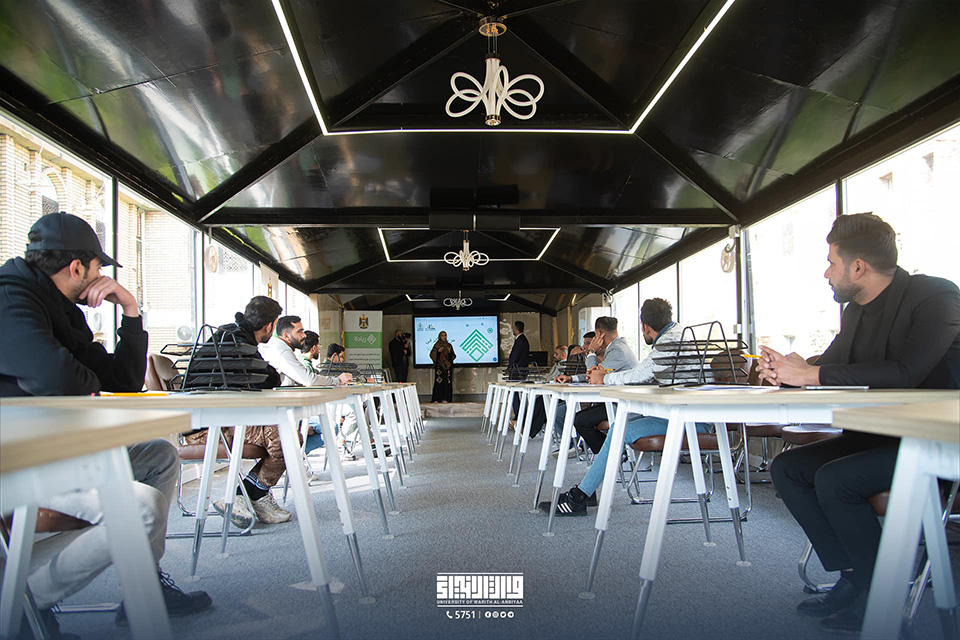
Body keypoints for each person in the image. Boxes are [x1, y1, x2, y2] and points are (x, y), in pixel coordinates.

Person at [0, 212, 211, 632]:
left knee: (158, 455)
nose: (102, 277)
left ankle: (144, 586)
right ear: (78, 268)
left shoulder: (62, 310)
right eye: (98, 267)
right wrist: (84, 382)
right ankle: (23, 604)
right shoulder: (10, 299)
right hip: (19, 463)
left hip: (60, 449)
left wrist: (130, 310)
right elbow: (58, 379)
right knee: (143, 509)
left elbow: (122, 381)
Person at [761, 213, 960, 634]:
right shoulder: (855, 312)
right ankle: (856, 576)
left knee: (837, 480)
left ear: (857, 267)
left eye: (831, 262)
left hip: (938, 442)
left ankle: (878, 593)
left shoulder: (937, 296)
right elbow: (829, 364)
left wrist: (811, 374)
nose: (826, 273)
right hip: (883, 436)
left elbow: (906, 372)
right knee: (788, 468)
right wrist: (785, 370)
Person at [540, 300, 709, 514]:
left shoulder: (669, 343)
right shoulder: (679, 334)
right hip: (682, 413)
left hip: (688, 420)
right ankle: (585, 491)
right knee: (617, 425)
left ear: (645, 326)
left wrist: (603, 377)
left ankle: (580, 496)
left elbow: (639, 374)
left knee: (619, 428)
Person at [185, 296, 295, 527]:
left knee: (287, 436)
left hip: (208, 420)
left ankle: (245, 495)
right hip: (210, 427)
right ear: (269, 326)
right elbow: (268, 378)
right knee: (287, 438)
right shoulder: (238, 342)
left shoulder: (228, 335)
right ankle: (245, 495)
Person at [550, 317, 640, 453]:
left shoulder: (617, 350)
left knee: (580, 420)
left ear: (599, 334)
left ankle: (613, 454)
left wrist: (591, 352)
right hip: (615, 401)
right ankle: (608, 452)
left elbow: (593, 377)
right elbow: (595, 375)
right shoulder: (616, 347)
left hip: (624, 405)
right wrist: (571, 378)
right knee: (577, 416)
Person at [261, 315, 351, 387]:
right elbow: (308, 380)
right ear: (286, 336)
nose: (304, 335)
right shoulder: (281, 350)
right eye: (299, 332)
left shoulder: (281, 347)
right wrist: (337, 380)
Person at [430, 331, 456, 403]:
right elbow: (432, 355)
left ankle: (446, 398)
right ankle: (437, 398)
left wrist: (450, 352)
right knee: (439, 382)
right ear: (440, 337)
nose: (444, 337)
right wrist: (438, 352)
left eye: (445, 335)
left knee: (447, 383)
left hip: (447, 367)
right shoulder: (437, 345)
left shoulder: (449, 345)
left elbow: (453, 356)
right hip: (439, 367)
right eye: (442, 335)